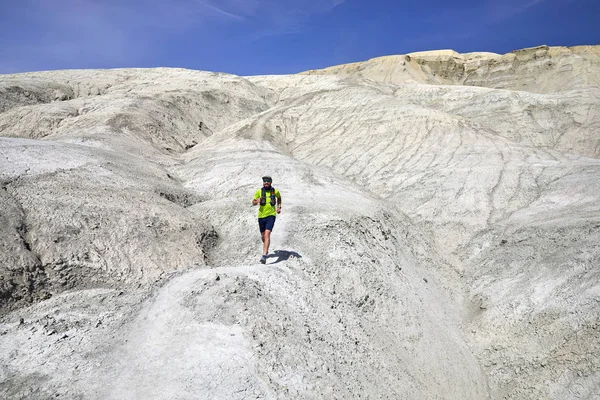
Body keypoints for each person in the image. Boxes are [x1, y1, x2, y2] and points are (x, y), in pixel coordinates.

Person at [251, 176, 282, 264]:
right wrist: (256, 201)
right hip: (261, 216)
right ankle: (266, 247)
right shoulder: (259, 191)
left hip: (271, 215)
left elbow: (279, 198)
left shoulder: (275, 191)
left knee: (267, 234)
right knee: (263, 236)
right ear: (263, 182)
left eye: (268, 181)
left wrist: (279, 207)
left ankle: (264, 255)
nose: (266, 182)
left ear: (271, 182)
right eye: (265, 181)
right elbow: (253, 202)